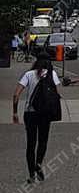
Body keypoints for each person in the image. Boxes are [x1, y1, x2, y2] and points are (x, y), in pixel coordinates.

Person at [13, 53, 62, 183]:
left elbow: (16, 95)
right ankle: (39, 163)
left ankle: (31, 175)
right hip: (45, 114)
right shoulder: (52, 75)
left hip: (30, 113)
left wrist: (15, 112)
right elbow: (56, 95)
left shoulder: (29, 75)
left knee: (31, 143)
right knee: (43, 141)